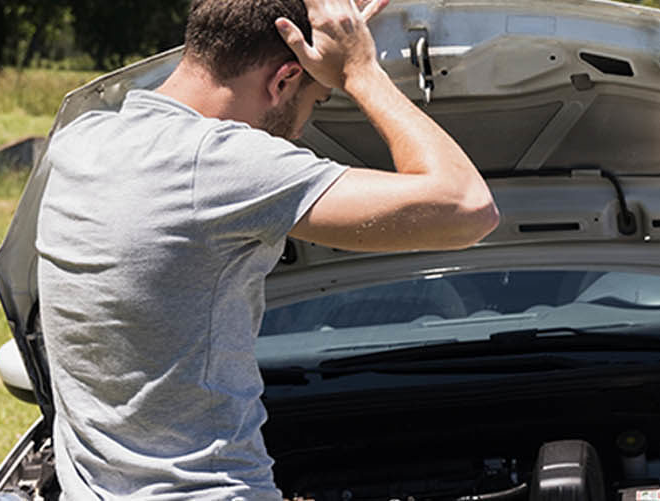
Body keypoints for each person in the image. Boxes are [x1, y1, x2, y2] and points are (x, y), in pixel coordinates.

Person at [33, 0, 498, 497]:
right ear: (283, 80)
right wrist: (361, 71)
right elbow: (468, 208)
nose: (300, 131)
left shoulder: (81, 140)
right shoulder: (220, 164)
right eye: (316, 101)